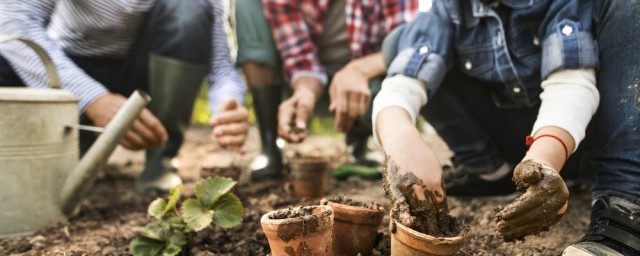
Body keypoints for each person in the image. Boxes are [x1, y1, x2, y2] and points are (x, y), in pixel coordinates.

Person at [375, 0, 639, 254]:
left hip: (581, 139)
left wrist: (543, 159)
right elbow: (403, 84)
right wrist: (401, 137)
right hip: (517, 149)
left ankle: (624, 202)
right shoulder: (448, 8)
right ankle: (492, 173)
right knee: (399, 42)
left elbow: (571, 84)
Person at [0, 0, 249, 193]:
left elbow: (221, 67)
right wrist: (93, 99)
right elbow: (12, 20)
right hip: (75, 69)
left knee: (190, 6)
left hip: (146, 74)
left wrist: (228, 105)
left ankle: (160, 159)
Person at [235, 0, 419, 180]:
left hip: (368, 86)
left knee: (405, 73)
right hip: (303, 83)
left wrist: (358, 71)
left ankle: (359, 140)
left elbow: (408, 44)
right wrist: (305, 92)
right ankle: (269, 145)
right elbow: (299, 57)